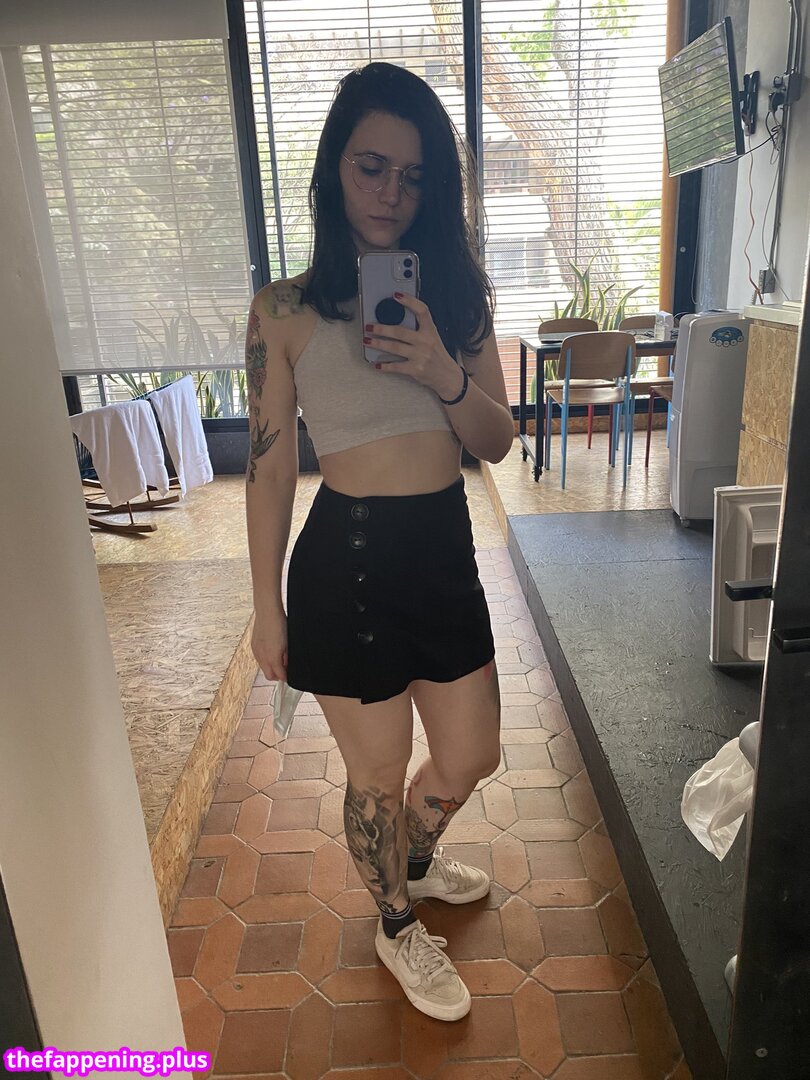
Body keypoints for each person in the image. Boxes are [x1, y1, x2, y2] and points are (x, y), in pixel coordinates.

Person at [244, 61, 514, 1022]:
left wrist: (443, 369)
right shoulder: (281, 311)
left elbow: (496, 440)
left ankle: (413, 861)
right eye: (371, 167)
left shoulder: (455, 295)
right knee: (376, 771)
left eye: (413, 175)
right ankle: (397, 924)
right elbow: (269, 467)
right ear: (334, 169)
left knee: (472, 753)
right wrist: (266, 606)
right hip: (347, 560)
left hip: (442, 549)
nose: (392, 192)